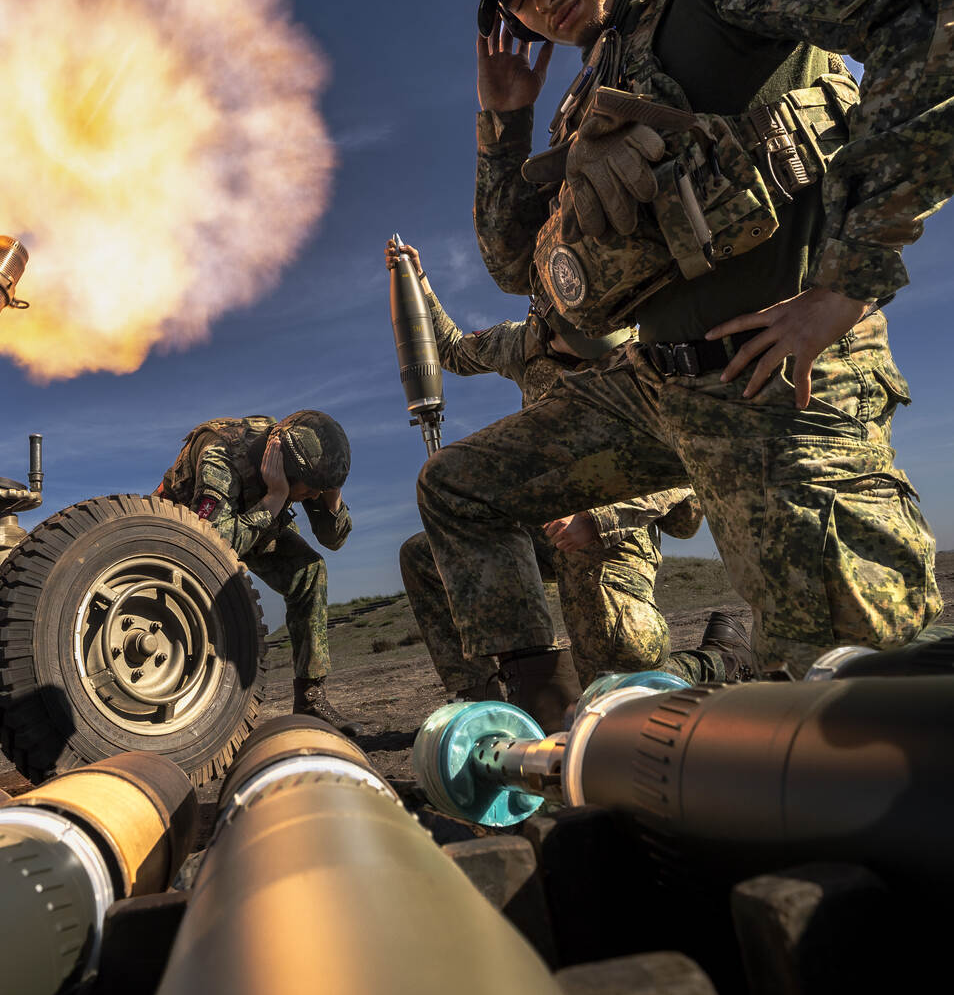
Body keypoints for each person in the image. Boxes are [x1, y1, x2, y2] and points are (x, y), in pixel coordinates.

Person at [417, 0, 947, 713]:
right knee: (457, 489)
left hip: (776, 384)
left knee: (851, 694)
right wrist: (503, 123)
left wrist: (849, 282)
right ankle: (548, 737)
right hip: (653, 391)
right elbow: (518, 267)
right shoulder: (583, 100)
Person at [386, 241, 745, 721]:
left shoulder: (646, 348)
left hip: (615, 529)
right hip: (542, 523)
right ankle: (491, 700)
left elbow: (682, 466)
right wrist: (419, 282)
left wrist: (600, 517)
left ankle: (717, 661)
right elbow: (450, 350)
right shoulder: (521, 343)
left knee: (618, 670)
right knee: (423, 557)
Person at [158, 409, 359, 732]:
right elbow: (208, 545)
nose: (313, 498)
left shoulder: (303, 464)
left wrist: (332, 494)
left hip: (252, 516)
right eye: (310, 490)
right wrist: (276, 498)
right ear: (286, 471)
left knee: (310, 570)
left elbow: (332, 540)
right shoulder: (220, 457)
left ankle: (310, 701)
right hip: (183, 535)